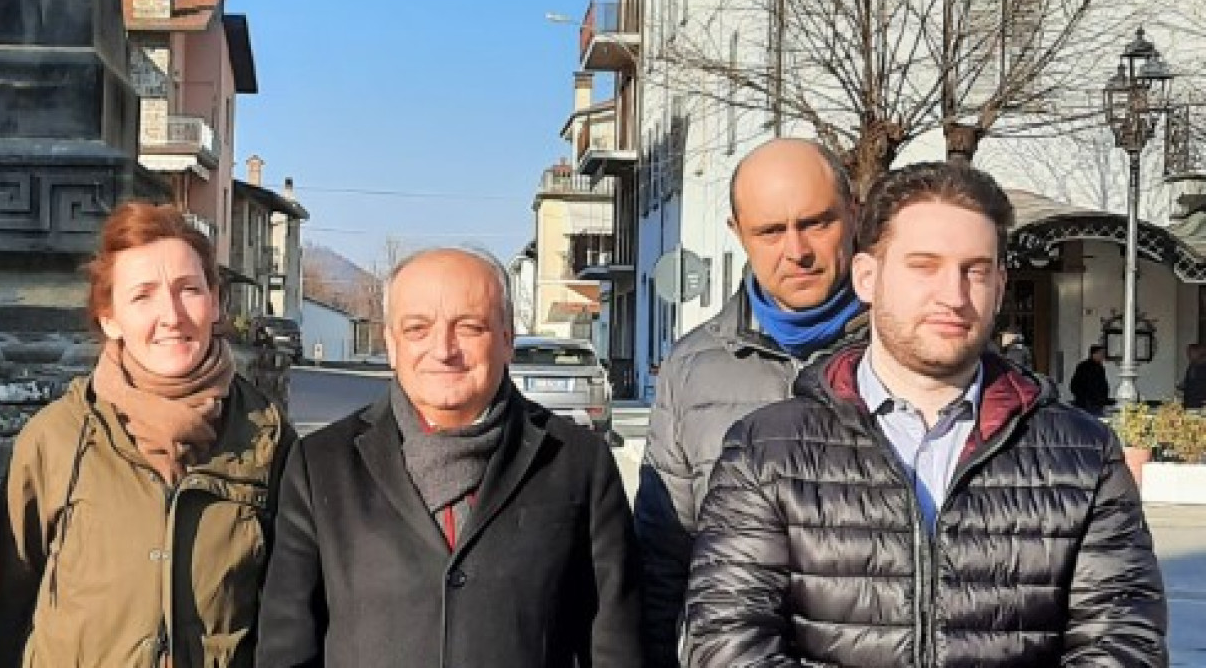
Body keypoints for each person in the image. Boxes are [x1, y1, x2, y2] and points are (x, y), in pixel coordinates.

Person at [685, 163, 1167, 667]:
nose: (953, 296)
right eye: (924, 266)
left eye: (975, 270)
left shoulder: (1084, 456)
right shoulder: (767, 451)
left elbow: (1123, 643)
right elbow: (727, 644)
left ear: (1000, 285)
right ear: (867, 277)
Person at [255, 246, 640, 667]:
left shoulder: (578, 464)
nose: (443, 349)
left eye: (470, 327)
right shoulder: (321, 465)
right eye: (418, 328)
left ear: (508, 339)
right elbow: (287, 648)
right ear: (391, 343)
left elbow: (615, 644)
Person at [0, 202, 294, 668]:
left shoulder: (266, 439)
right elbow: (5, 607)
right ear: (110, 318)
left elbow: (290, 615)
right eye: (142, 295)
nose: (171, 315)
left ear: (215, 302)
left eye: (189, 289)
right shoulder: (57, 439)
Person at [634, 137, 863, 668]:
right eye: (770, 231)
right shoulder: (691, 368)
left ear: (854, 215)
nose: (797, 250)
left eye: (816, 223)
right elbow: (664, 556)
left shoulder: (903, 356)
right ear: (738, 234)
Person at [1071, 343, 1111, 415]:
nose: (1103, 356)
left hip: (1098, 403)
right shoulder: (1083, 367)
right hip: (1086, 404)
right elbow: (1075, 385)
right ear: (1094, 354)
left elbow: (1102, 384)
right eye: (1101, 354)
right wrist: (1084, 399)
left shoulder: (1100, 367)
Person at [1183, 342, 1206, 410]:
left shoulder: (1203, 366)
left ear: (1198, 352)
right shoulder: (1192, 365)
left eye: (1190, 352)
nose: (1187, 355)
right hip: (1190, 402)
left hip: (1200, 404)